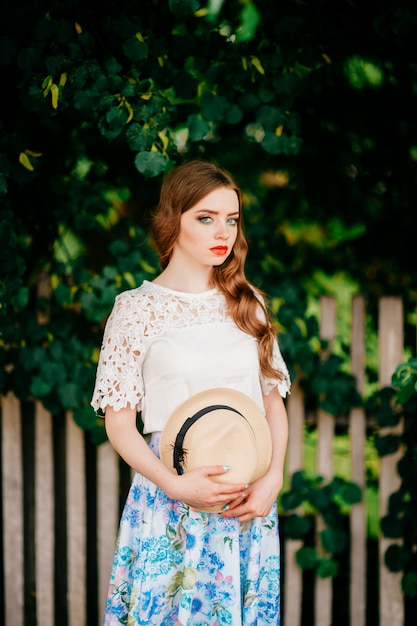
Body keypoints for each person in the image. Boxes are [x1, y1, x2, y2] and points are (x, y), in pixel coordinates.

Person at [91, 159, 291, 625]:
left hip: (247, 499)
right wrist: (175, 486)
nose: (222, 230)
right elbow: (119, 423)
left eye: (231, 219)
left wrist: (274, 479)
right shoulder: (135, 310)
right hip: (169, 494)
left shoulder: (249, 303)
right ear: (172, 220)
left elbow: (272, 404)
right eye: (206, 217)